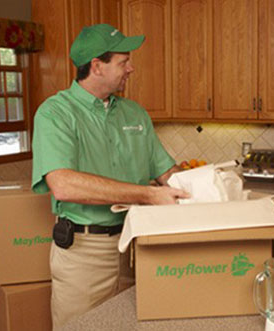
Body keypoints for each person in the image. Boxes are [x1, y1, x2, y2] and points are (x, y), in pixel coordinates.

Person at [31, 24, 189, 329]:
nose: (132, 68)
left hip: (137, 245)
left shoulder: (135, 113)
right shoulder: (55, 114)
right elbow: (63, 184)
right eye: (123, 61)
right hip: (84, 254)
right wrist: (148, 194)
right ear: (96, 66)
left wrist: (210, 186)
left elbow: (167, 174)